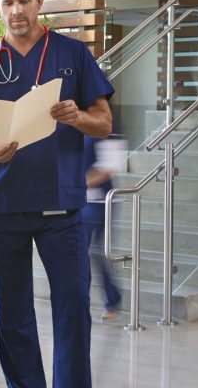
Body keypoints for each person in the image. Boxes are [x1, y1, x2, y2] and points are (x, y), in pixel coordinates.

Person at [0, 0, 113, 387]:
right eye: (8, 3)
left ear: (39, 2)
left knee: (72, 309)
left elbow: (103, 122)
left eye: (24, 1)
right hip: (4, 204)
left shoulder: (73, 55)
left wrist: (79, 116)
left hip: (61, 205)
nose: (16, 11)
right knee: (11, 314)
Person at [79, 128, 128, 321]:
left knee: (90, 252)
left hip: (100, 202)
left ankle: (107, 299)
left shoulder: (110, 127)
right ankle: (109, 299)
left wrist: (77, 183)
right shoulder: (77, 124)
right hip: (80, 201)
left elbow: (107, 169)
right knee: (87, 252)